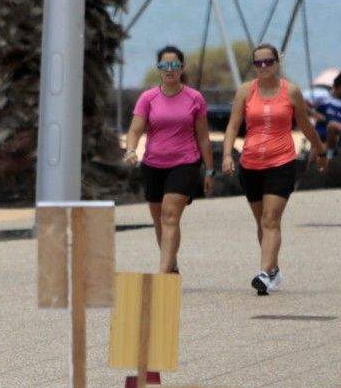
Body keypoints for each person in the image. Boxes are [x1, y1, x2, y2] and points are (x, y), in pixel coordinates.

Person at [218, 42, 324, 296]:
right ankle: (273, 270)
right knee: (261, 222)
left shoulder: (291, 91)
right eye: (258, 62)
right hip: (250, 164)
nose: (263, 66)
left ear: (277, 63)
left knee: (270, 219)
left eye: (268, 61)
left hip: (281, 163)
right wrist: (227, 155)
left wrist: (320, 149)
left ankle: (264, 274)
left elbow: (305, 125)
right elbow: (233, 126)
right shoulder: (245, 91)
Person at [122, 46, 213, 276]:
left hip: (185, 163)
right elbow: (135, 130)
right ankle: (171, 266)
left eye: (174, 65)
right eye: (164, 65)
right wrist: (131, 150)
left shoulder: (195, 98)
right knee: (159, 220)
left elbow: (203, 137)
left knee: (170, 215)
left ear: (182, 68)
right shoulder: (148, 98)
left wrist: (209, 170)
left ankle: (162, 275)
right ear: (159, 68)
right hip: (153, 165)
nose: (169, 69)